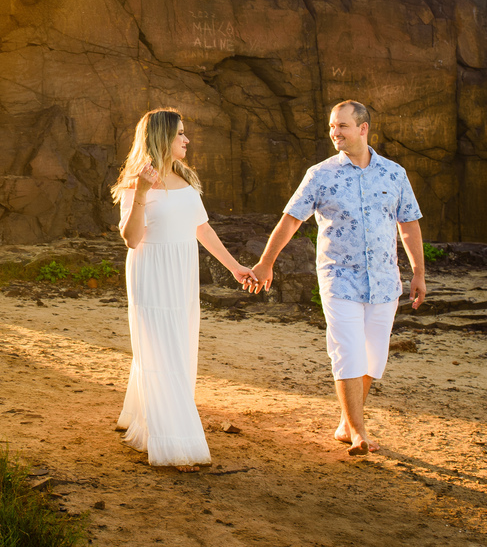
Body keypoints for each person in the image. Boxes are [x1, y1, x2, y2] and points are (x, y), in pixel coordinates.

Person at [250, 100, 426, 456]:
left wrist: (419, 272)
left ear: (363, 129)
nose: (335, 133)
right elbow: (291, 220)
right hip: (338, 277)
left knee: (373, 358)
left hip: (384, 281)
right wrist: (266, 262)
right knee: (347, 351)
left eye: (342, 126)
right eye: (332, 127)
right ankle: (359, 431)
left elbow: (408, 225)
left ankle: (347, 422)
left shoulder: (394, 174)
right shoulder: (320, 174)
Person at [112, 108, 256, 471]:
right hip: (151, 271)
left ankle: (138, 415)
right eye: (179, 134)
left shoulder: (185, 177)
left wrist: (235, 267)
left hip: (182, 274)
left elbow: (202, 229)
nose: (186, 140)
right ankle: (173, 441)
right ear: (161, 138)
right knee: (162, 352)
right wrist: (143, 190)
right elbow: (131, 240)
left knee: (176, 347)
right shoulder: (136, 183)